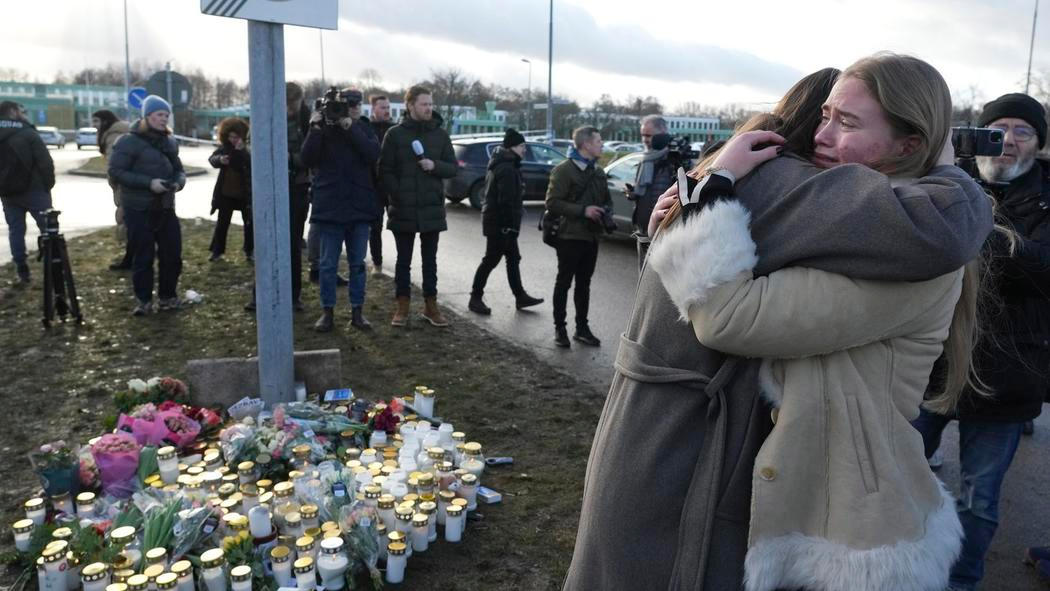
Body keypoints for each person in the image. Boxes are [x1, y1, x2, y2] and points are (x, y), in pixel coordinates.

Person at [564, 55, 994, 591]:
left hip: (847, 522)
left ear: (909, 144)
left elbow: (727, 317)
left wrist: (708, 198)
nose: (822, 134)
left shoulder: (895, 237)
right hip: (802, 490)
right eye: (825, 115)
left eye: (846, 122)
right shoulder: (847, 208)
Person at [911, 92, 1050, 591]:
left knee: (979, 499)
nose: (1007, 141)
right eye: (997, 129)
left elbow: (1043, 268)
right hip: (931, 364)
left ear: (1038, 143)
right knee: (896, 474)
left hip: (1009, 374)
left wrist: (973, 233)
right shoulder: (950, 179)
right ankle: (899, 567)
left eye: (1022, 131)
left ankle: (960, 581)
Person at [301, 88, 381, 332]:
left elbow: (372, 154)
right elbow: (307, 158)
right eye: (348, 104)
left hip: (359, 207)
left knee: (357, 264)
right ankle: (327, 312)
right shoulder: (323, 129)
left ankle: (357, 312)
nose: (353, 108)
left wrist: (350, 128)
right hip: (330, 208)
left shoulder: (363, 128)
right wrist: (315, 128)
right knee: (327, 265)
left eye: (356, 104)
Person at [377, 85, 457, 328]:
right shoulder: (395, 135)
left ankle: (431, 306)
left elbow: (453, 167)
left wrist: (435, 166)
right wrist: (398, 194)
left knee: (430, 261)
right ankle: (402, 307)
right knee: (403, 261)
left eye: (430, 104)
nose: (429, 108)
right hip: (403, 208)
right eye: (424, 104)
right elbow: (384, 170)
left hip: (431, 207)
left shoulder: (440, 135)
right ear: (410, 105)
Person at [108, 95, 186, 316]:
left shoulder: (169, 142)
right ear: (147, 116)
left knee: (172, 255)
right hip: (138, 209)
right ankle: (144, 301)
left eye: (166, 115)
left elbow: (179, 170)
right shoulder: (127, 142)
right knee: (143, 257)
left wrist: (178, 183)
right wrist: (149, 183)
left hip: (165, 207)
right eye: (159, 115)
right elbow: (116, 171)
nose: (164, 119)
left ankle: (168, 297)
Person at [544, 126, 612, 348]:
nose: (602, 145)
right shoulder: (563, 170)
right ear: (586, 144)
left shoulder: (598, 172)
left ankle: (582, 329)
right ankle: (560, 328)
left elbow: (606, 200)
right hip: (569, 236)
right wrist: (583, 211)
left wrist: (605, 212)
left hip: (591, 237)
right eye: (598, 141)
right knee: (564, 283)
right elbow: (552, 202)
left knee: (584, 284)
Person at [467, 128, 544, 315]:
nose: (524, 149)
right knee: (491, 260)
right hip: (500, 224)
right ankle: (475, 298)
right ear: (511, 147)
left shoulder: (505, 163)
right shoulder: (506, 168)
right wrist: (508, 226)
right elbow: (506, 201)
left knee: (513, 259)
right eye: (521, 146)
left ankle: (520, 296)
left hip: (501, 223)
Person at [0, 100, 54, 283]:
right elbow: (45, 162)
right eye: (21, 111)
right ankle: (53, 265)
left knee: (15, 230)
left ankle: (21, 268)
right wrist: (47, 185)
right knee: (48, 229)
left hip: (7, 193)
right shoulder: (27, 133)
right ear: (12, 112)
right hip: (35, 190)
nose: (24, 114)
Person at [629, 114, 674, 269]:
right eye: (642, 135)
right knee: (642, 275)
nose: (645, 139)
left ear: (663, 133)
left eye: (648, 135)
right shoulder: (646, 159)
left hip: (662, 232)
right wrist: (634, 194)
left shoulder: (673, 160)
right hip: (643, 230)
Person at [207, 117, 253, 263]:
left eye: (236, 137)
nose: (233, 140)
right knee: (222, 224)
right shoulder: (225, 148)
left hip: (244, 194)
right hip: (226, 194)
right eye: (231, 136)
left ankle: (250, 250)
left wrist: (240, 151)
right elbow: (212, 159)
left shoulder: (248, 150)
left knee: (249, 224)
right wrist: (220, 160)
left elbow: (248, 163)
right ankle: (217, 251)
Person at [93, 109, 132, 271]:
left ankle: (131, 259)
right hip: (128, 182)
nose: (94, 125)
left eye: (96, 121)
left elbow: (113, 165)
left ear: (105, 121)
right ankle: (133, 256)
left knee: (127, 220)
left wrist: (114, 182)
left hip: (124, 185)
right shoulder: (120, 131)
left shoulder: (113, 135)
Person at [368, 94, 395, 276]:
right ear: (373, 109)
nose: (386, 111)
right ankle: (377, 264)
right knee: (375, 227)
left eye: (388, 107)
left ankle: (402, 266)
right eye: (383, 107)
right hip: (373, 187)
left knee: (399, 226)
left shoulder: (395, 129)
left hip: (391, 185)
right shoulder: (367, 128)